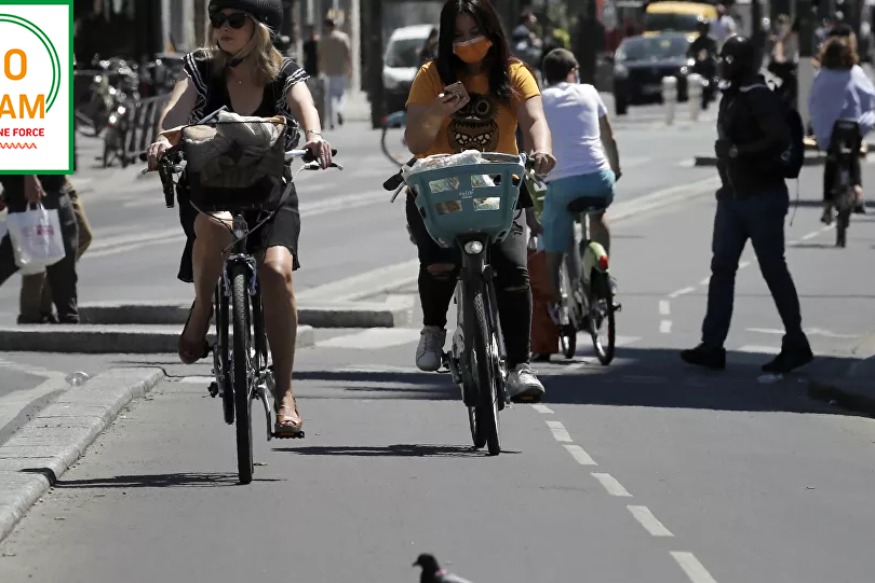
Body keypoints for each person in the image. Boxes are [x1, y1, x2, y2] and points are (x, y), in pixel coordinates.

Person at [146, 0, 333, 438]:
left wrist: (316, 136)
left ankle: (285, 394)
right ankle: (204, 309)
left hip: (268, 193)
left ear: (260, 27)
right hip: (211, 189)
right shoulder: (202, 67)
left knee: (276, 271)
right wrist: (161, 140)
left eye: (235, 20)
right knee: (214, 226)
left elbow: (304, 104)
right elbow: (175, 113)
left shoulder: (282, 71)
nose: (223, 28)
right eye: (217, 19)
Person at [404, 0, 556, 403]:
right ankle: (433, 328)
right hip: (441, 190)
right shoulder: (431, 76)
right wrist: (437, 111)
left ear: (493, 33)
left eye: (475, 32)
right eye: (458, 35)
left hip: (500, 188)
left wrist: (541, 151)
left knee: (512, 270)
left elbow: (535, 119)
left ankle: (519, 366)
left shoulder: (514, 73)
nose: (468, 42)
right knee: (439, 262)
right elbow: (415, 142)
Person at [681, 36, 813, 374]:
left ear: (743, 61)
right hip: (733, 199)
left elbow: (780, 138)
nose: (722, 62)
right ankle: (712, 345)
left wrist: (739, 151)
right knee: (722, 268)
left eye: (728, 57)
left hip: (761, 198)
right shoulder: (735, 94)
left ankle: (796, 342)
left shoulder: (758, 96)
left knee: (772, 268)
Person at [538, 48, 621, 322]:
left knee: (553, 242)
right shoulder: (590, 91)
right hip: (599, 177)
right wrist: (615, 169)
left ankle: (556, 304)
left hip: (562, 184)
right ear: (573, 71)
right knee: (599, 215)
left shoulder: (541, 99)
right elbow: (609, 136)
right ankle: (603, 277)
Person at [809, 36, 874, 220]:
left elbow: (814, 101)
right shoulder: (855, 72)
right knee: (853, 156)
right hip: (854, 125)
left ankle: (828, 204)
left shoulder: (822, 75)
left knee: (831, 160)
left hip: (830, 129)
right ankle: (858, 189)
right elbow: (869, 95)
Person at [0, 175, 80, 323]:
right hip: (36, 185)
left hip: (53, 183)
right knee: (12, 253)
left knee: (64, 252)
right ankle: (68, 317)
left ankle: (69, 317)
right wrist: (29, 175)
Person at [318, 18, 351, 128]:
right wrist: (349, 68)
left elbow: (320, 56)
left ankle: (331, 122)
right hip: (341, 70)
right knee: (341, 94)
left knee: (329, 98)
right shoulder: (343, 38)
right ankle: (340, 110)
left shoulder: (324, 39)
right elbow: (347, 54)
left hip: (328, 72)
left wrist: (320, 69)